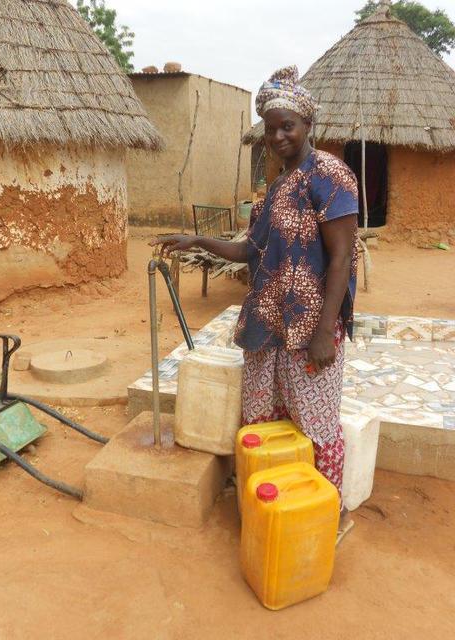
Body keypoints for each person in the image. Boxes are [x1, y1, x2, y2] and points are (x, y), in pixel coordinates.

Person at [151, 65, 358, 537]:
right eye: (271, 128)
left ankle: (330, 514)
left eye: (288, 126)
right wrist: (197, 242)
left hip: (310, 326)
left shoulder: (328, 175)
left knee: (316, 422)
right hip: (267, 324)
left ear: (308, 125)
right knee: (263, 416)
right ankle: (274, 508)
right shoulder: (271, 193)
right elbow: (249, 251)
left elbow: (343, 256)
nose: (279, 136)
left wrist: (326, 330)